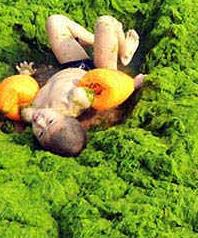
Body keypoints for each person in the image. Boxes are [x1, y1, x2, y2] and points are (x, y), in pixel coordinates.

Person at [18, 14, 145, 156]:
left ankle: (95, 42)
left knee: (54, 21)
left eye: (40, 133)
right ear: (68, 118)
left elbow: (24, 90)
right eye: (49, 122)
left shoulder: (31, 111)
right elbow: (111, 92)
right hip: (101, 73)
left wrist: (25, 75)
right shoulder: (71, 105)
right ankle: (124, 53)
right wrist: (133, 84)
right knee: (105, 23)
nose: (39, 122)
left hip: (73, 65)